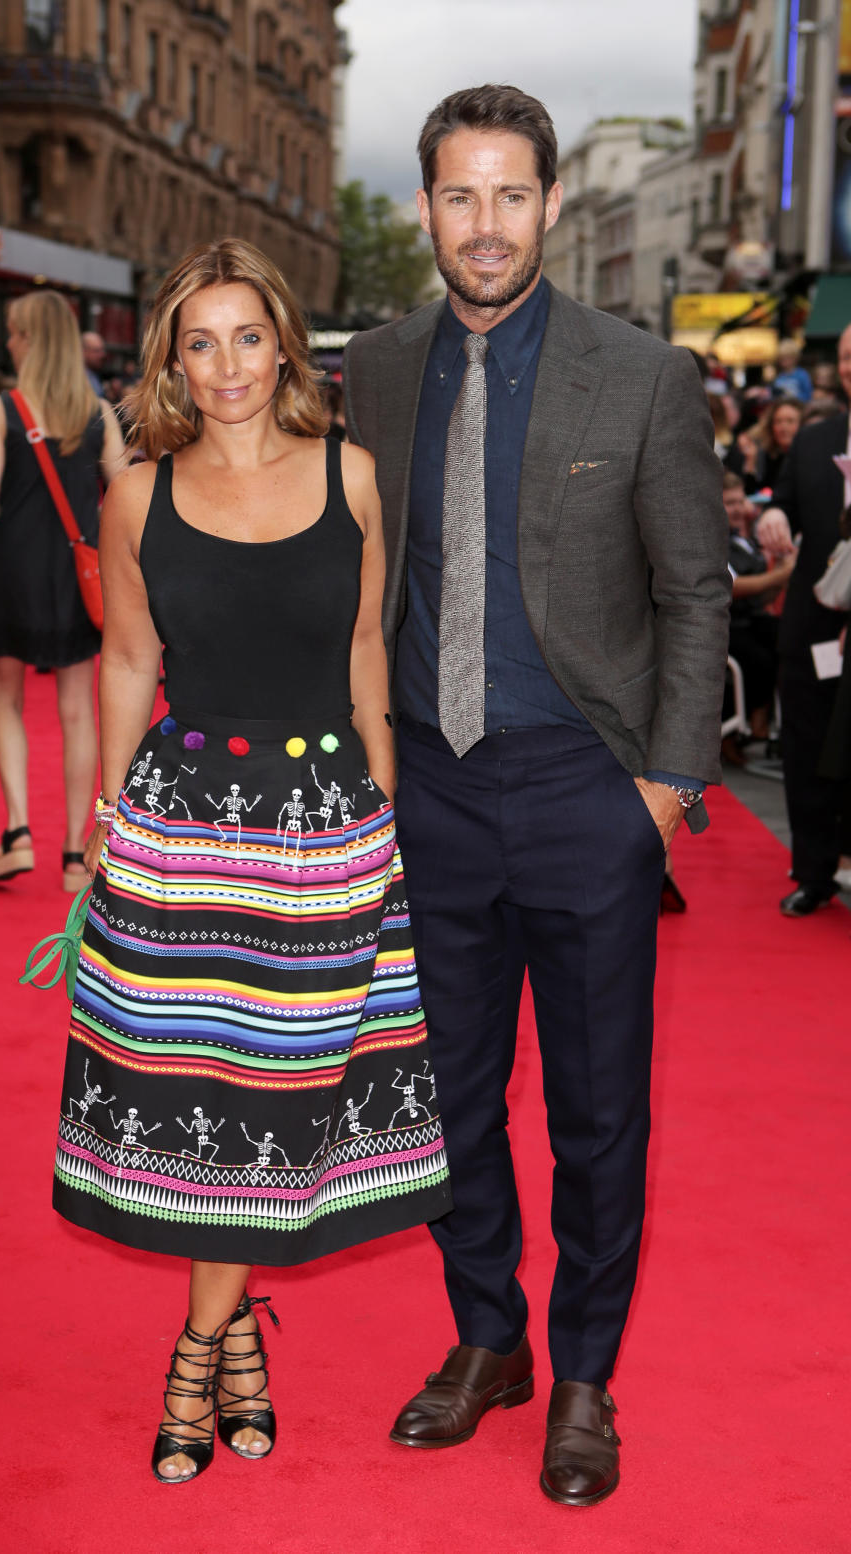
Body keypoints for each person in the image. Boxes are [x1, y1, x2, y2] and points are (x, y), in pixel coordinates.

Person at [343, 83, 730, 1508]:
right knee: (446, 1098)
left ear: (552, 205)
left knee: (597, 1109)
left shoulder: (640, 375)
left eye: (512, 195)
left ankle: (582, 1374)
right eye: (460, 195)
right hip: (428, 793)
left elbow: (696, 590)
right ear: (427, 207)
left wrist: (669, 788)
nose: (486, 224)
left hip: (587, 790)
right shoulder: (379, 369)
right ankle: (488, 1335)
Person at [51, 238, 452, 1485]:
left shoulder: (356, 477)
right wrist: (102, 825)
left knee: (271, 1103)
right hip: (182, 832)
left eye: (248, 336)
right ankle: (228, 1356)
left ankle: (197, 1350)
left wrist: (382, 808)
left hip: (320, 832)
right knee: (196, 1099)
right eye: (199, 341)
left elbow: (370, 654)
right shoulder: (137, 495)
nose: (226, 366)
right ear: (173, 356)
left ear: (286, 342)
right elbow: (125, 661)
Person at [0, 291, 126, 889]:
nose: (8, 341)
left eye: (13, 332)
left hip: (12, 568)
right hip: (76, 571)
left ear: (31, 340)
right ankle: (72, 854)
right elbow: (125, 492)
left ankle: (17, 833)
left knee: (6, 698)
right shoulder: (98, 413)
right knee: (77, 711)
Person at [756, 323, 851, 915]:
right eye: (844, 357)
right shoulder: (814, 441)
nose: (850, 367)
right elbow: (783, 506)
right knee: (808, 749)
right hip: (814, 627)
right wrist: (774, 522)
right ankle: (814, 873)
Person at [723, 471, 795, 755]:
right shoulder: (713, 541)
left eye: (741, 501)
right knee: (761, 656)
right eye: (730, 502)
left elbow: (762, 594)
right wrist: (780, 575)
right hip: (728, 624)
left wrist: (783, 575)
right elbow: (733, 587)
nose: (739, 508)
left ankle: (767, 722)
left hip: (752, 619)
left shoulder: (747, 542)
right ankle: (752, 722)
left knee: (787, 638)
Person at [726, 395, 803, 495]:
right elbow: (749, 492)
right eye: (778, 421)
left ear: (802, 424)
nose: (783, 427)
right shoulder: (765, 455)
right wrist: (751, 460)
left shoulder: (806, 457)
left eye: (790, 421)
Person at [82, 330, 107, 395]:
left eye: (102, 350)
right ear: (84, 352)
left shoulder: (94, 374)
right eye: (96, 351)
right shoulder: (77, 379)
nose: (102, 354)